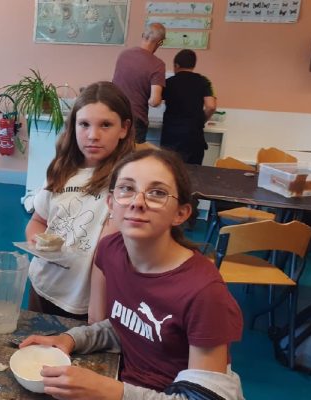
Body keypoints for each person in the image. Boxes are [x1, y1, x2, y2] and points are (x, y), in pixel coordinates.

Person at [21, 149, 244, 400]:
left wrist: (110, 391)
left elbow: (205, 397)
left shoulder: (204, 292)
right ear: (110, 204)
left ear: (181, 213)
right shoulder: (112, 252)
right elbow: (129, 327)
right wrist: (71, 339)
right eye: (127, 188)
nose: (138, 202)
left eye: (157, 193)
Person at [25, 81, 135, 322]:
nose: (93, 135)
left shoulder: (126, 182)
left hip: (88, 302)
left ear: (124, 128)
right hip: (43, 286)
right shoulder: (60, 170)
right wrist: (36, 240)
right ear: (73, 126)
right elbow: (38, 220)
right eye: (84, 124)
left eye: (105, 125)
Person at [112, 22, 167, 144]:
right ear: (159, 42)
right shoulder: (158, 65)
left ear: (143, 35)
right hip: (136, 120)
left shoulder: (123, 55)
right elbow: (154, 101)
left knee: (115, 153)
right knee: (134, 155)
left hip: (115, 113)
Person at [161, 49, 217, 165]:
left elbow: (155, 99)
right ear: (193, 65)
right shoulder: (203, 81)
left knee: (170, 169)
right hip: (193, 135)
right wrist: (201, 120)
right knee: (194, 172)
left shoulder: (168, 82)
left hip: (171, 135)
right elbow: (211, 106)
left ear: (176, 65)